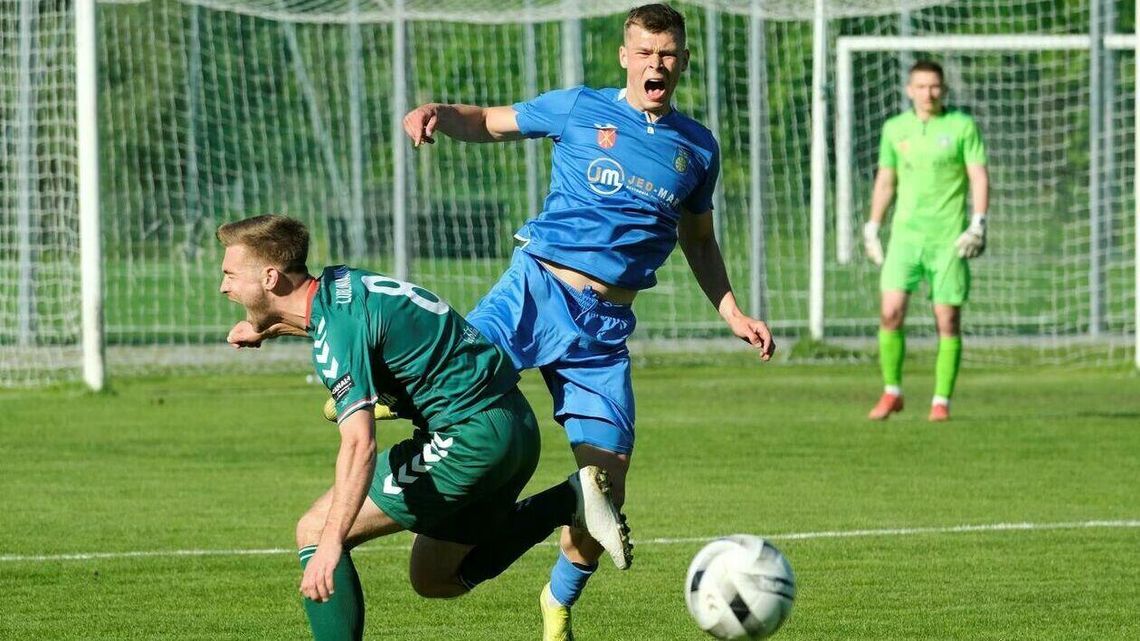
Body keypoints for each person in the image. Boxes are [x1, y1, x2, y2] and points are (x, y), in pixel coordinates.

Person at [402, 4, 775, 638]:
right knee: (452, 370)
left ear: (683, 61)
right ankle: (378, 396)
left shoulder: (698, 148)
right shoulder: (579, 107)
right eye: (646, 52)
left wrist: (731, 309)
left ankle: (556, 605)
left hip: (604, 332)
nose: (657, 64)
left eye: (669, 54)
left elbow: (700, 241)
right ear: (625, 56)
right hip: (538, 287)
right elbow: (491, 122)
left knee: (606, 489)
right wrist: (438, 112)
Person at [217, 214, 628, 641]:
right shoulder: (343, 285)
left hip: (469, 438)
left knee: (316, 530)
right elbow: (351, 328)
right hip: (514, 427)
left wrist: (331, 543)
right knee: (434, 577)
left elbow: (359, 444)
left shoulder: (336, 330)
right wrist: (272, 327)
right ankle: (567, 499)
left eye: (230, 274)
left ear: (270, 277)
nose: (224, 286)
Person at [862, 60, 989, 422]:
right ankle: (892, 392)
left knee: (946, 320)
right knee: (890, 313)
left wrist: (978, 222)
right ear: (909, 90)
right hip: (905, 237)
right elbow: (886, 181)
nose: (928, 93)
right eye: (921, 86)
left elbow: (978, 176)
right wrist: (873, 225)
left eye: (934, 86)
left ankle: (941, 400)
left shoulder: (962, 126)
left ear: (943, 89)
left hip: (948, 238)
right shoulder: (895, 129)